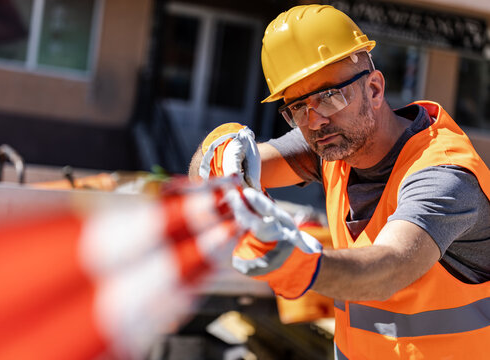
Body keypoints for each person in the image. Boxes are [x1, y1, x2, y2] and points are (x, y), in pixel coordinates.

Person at [189, 4, 490, 359]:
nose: (314, 121)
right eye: (297, 107)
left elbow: (388, 268)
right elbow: (214, 175)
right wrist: (219, 148)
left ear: (375, 89)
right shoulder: (332, 145)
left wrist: (294, 262)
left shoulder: (443, 174)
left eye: (329, 97)